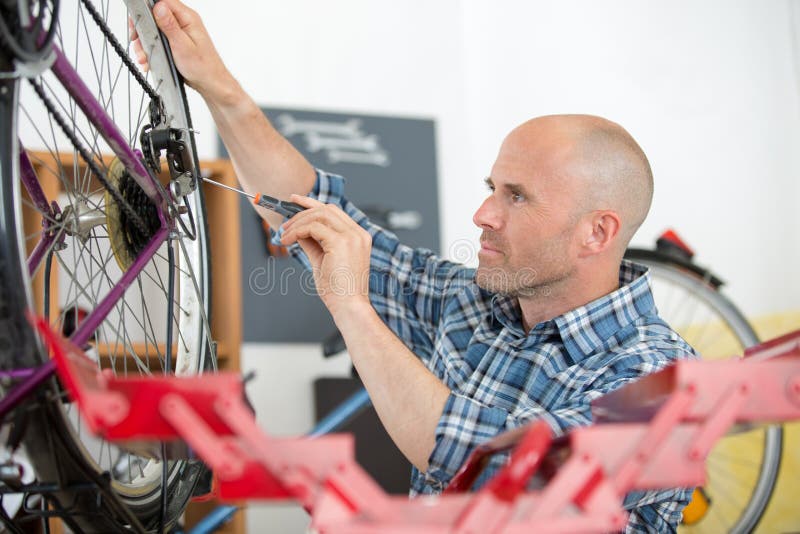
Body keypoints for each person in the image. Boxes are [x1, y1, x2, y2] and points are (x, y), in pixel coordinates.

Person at [134, 1, 696, 530]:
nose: (482, 214)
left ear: (597, 232)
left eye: (516, 196)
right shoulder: (477, 305)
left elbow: (495, 471)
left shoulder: (664, 383)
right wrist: (218, 86)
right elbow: (319, 209)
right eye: (490, 188)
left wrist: (351, 307)